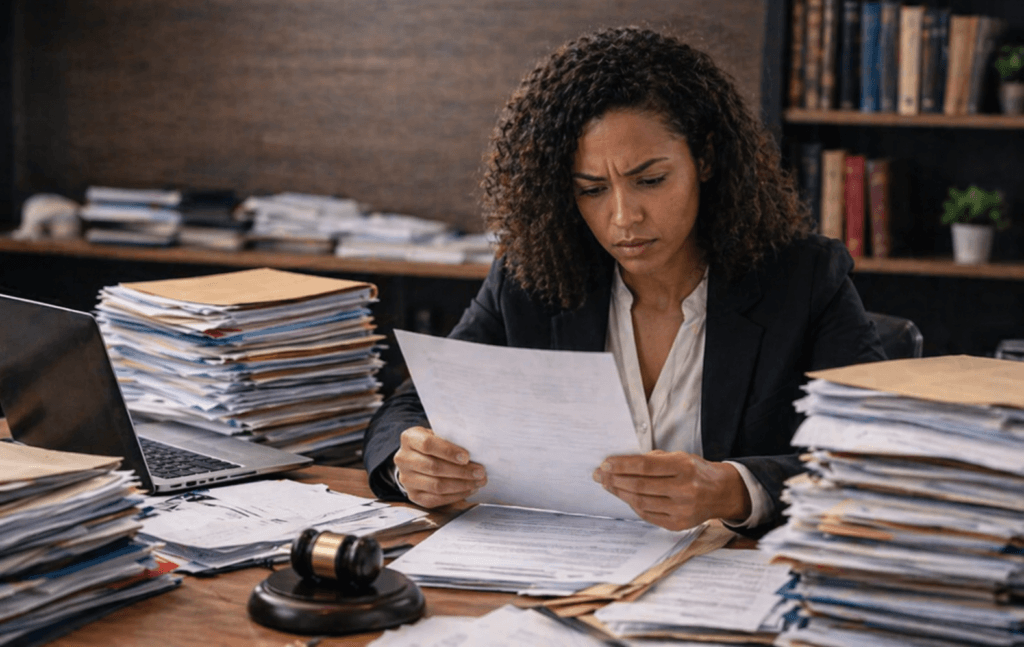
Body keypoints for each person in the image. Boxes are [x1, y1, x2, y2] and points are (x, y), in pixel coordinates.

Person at [363, 26, 885, 537]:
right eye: (592, 190)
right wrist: (410, 459)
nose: (623, 218)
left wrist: (734, 489)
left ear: (704, 159)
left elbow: (879, 456)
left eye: (650, 181)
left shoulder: (804, 279)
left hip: (731, 585)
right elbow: (410, 409)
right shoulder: (533, 277)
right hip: (562, 577)